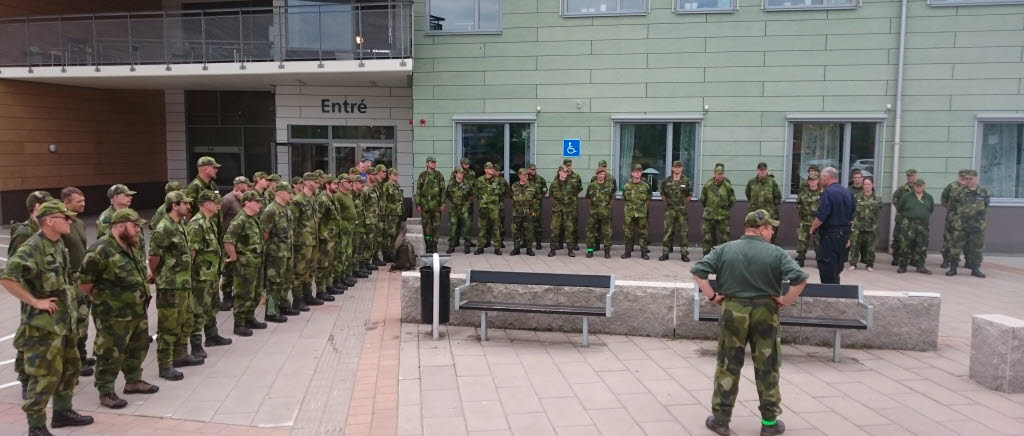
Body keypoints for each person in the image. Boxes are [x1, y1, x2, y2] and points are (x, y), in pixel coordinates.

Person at [692, 210, 808, 436]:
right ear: (762, 229)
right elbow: (801, 279)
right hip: (766, 312)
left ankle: (721, 420)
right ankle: (769, 423)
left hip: (734, 311)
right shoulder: (776, 253)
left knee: (728, 364)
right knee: (768, 366)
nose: (773, 231)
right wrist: (785, 300)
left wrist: (713, 297)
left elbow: (698, 272)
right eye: (770, 228)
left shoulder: (725, 249)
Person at [1, 201, 95, 436]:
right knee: (44, 377)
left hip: (65, 324)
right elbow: (7, 277)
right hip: (44, 329)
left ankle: (62, 413)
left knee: (69, 370)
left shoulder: (58, 245)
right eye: (65, 218)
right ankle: (36, 426)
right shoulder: (32, 247)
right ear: (50, 221)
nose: (70, 221)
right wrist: (34, 301)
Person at [79, 208, 159, 410]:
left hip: (136, 311)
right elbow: (85, 283)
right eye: (135, 227)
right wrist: (105, 300)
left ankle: (133, 381)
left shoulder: (131, 246)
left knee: (138, 347)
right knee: (110, 352)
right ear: (120, 226)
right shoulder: (100, 250)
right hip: (112, 315)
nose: (138, 231)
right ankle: (106, 391)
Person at [148, 191, 202, 381]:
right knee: (168, 326)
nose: (188, 206)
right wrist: (156, 274)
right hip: (170, 284)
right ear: (174, 205)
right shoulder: (164, 228)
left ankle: (180, 355)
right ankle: (165, 365)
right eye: (184, 204)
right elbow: (154, 256)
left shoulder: (181, 224)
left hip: (184, 282)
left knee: (186, 320)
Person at [8, 191, 54, 400]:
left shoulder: (48, 230)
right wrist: (31, 299)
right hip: (32, 296)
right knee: (28, 338)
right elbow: (12, 271)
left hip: (48, 294)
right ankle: (25, 379)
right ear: (36, 206)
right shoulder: (25, 233)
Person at [185, 191, 232, 356]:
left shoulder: (209, 222)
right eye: (215, 202)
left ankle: (212, 335)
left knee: (212, 307)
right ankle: (196, 343)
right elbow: (192, 252)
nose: (218, 205)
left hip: (211, 274)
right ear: (205, 204)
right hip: (200, 276)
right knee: (198, 310)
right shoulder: (196, 224)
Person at [58, 187, 94, 377]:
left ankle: (82, 354)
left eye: (83, 200)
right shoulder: (61, 224)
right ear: (66, 203)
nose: (83, 203)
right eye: (78, 201)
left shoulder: (78, 222)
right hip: (69, 280)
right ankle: (75, 359)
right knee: (75, 321)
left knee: (83, 319)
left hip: (82, 278)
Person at [225, 191, 268, 335]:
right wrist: (234, 257)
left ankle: (250, 317)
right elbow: (228, 240)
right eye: (256, 202)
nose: (259, 204)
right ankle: (239, 323)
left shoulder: (253, 218)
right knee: (244, 293)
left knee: (256, 292)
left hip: (256, 263)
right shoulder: (240, 220)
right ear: (247, 202)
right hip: (245, 265)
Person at [810, 167, 855, 284]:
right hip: (844, 235)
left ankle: (829, 294)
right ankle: (836, 290)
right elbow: (852, 218)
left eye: (821, 178)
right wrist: (848, 237)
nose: (820, 181)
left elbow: (822, 216)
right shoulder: (848, 193)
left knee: (827, 267)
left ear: (826, 177)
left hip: (829, 236)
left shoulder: (827, 192)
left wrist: (812, 228)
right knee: (837, 267)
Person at [946, 170, 990, 278]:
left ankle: (975, 269)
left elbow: (986, 205)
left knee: (977, 249)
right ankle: (953, 268)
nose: (968, 181)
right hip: (961, 225)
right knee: (955, 248)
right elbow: (951, 208)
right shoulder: (959, 192)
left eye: (970, 178)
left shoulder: (983, 192)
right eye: (967, 179)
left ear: (976, 178)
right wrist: (955, 221)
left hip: (977, 226)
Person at [218, 176, 250, 312]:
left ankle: (236, 294)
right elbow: (219, 217)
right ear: (239, 185)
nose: (248, 187)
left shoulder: (242, 199)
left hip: (241, 241)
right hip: (229, 240)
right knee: (227, 270)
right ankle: (226, 296)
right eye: (246, 185)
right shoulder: (228, 199)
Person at [291, 173, 322, 310]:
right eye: (315, 182)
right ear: (307, 182)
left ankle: (308, 295)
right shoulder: (298, 200)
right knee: (300, 271)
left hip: (312, 239)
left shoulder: (313, 198)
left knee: (311, 269)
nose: (317, 184)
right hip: (302, 241)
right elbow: (293, 222)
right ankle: (297, 299)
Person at [895, 178, 934, 274]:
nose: (918, 187)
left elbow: (931, 209)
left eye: (920, 185)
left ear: (924, 186)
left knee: (922, 245)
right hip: (908, 224)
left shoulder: (929, 197)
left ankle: (920, 266)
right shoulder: (906, 196)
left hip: (923, 225)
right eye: (916, 185)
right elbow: (899, 208)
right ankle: (903, 266)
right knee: (906, 245)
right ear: (914, 186)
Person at [314, 176, 341, 303]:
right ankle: (320, 291)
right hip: (325, 238)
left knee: (331, 263)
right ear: (327, 185)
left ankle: (329, 286)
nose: (337, 186)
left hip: (333, 236)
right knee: (323, 264)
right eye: (334, 184)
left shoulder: (332, 198)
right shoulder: (322, 199)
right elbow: (317, 220)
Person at [660, 160, 693, 262]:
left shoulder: (686, 180)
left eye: (679, 167)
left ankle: (684, 253)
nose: (677, 169)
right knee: (668, 232)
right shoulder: (666, 181)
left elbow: (689, 196)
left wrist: (682, 204)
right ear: (672, 168)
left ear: (682, 168)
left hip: (682, 211)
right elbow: (663, 195)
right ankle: (665, 253)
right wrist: (670, 204)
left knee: (683, 232)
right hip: (670, 210)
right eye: (676, 167)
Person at [700, 163, 736, 255]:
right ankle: (706, 256)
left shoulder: (727, 186)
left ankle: (724, 256)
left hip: (723, 216)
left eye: (722, 174)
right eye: (718, 174)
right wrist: (709, 208)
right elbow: (703, 199)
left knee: (725, 237)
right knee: (707, 237)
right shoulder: (708, 185)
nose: (720, 176)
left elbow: (732, 200)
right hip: (709, 215)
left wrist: (724, 210)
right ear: (714, 173)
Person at [848, 177, 882, 271]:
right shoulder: (857, 197)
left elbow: (879, 211)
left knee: (871, 247)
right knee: (854, 246)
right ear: (863, 185)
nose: (867, 186)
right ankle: (853, 264)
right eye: (865, 184)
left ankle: (869, 265)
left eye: (869, 184)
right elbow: (852, 210)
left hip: (871, 227)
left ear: (872, 185)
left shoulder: (877, 199)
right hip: (858, 226)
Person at [332, 176, 359, 289]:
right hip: (343, 226)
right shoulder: (338, 196)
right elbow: (337, 213)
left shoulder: (348, 195)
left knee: (348, 252)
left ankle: (343, 275)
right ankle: (337, 278)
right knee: (342, 252)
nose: (351, 184)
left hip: (350, 226)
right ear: (342, 183)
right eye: (348, 182)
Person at [621, 164, 653, 260]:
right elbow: (624, 199)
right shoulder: (627, 186)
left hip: (642, 213)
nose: (637, 173)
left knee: (643, 232)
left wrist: (642, 207)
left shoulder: (646, 186)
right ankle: (627, 251)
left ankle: (643, 252)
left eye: (639, 171)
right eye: (635, 171)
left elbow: (648, 199)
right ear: (632, 173)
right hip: (629, 213)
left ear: (641, 173)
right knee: (628, 233)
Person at [746, 162, 782, 244]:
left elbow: (777, 196)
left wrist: (772, 208)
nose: (762, 171)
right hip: (755, 213)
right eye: (760, 170)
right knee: (754, 234)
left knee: (770, 236)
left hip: (769, 213)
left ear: (767, 170)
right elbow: (748, 194)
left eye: (764, 170)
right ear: (757, 170)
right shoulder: (751, 182)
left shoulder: (772, 182)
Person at [475, 163, 505, 255]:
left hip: (494, 208)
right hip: (483, 207)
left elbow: (501, 192)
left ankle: (497, 248)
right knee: (482, 228)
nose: (492, 169)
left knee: (496, 228)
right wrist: (483, 201)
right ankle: (480, 247)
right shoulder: (479, 180)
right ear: (485, 170)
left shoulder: (498, 180)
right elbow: (476, 193)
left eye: (492, 168)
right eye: (490, 168)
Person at [940, 170, 968, 269]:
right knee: (949, 239)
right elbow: (943, 200)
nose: (963, 178)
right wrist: (952, 210)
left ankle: (968, 261)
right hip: (953, 219)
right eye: (961, 176)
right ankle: (946, 260)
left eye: (965, 176)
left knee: (967, 240)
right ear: (958, 176)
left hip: (967, 220)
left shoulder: (971, 187)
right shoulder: (951, 186)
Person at [585, 168, 615, 258]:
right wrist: (594, 207)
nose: (602, 176)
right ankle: (590, 250)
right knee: (591, 232)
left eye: (603, 174)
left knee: (607, 233)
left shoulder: (609, 185)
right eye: (600, 174)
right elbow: (588, 198)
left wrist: (607, 207)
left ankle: (607, 251)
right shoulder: (591, 185)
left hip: (605, 213)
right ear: (596, 175)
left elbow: (612, 198)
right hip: (594, 213)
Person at [548, 165, 576, 257]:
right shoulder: (554, 184)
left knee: (569, 230)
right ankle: (552, 249)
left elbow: (574, 196)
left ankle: (570, 250)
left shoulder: (571, 184)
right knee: (555, 230)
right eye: (563, 172)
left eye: (566, 172)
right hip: (557, 211)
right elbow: (551, 196)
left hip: (568, 211)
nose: (565, 174)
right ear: (559, 172)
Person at [890, 169, 917, 265]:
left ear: (915, 176)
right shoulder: (902, 189)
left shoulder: (918, 188)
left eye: (912, 176)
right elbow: (894, 200)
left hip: (914, 219)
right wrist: (903, 211)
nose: (910, 178)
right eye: (908, 176)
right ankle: (896, 258)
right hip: (902, 219)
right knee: (898, 238)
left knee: (913, 238)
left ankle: (913, 259)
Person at [509, 168, 538, 256]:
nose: (525, 176)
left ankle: (529, 249)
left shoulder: (532, 186)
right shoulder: (514, 186)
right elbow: (511, 197)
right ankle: (516, 248)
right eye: (523, 174)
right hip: (517, 213)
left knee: (529, 231)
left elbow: (535, 198)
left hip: (528, 212)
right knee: (515, 231)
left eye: (526, 174)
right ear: (519, 175)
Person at [795, 174, 822, 268]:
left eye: (814, 180)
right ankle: (800, 259)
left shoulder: (823, 193)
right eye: (810, 180)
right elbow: (798, 204)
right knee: (802, 240)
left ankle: (820, 260)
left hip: (818, 221)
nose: (812, 182)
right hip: (805, 221)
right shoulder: (803, 193)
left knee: (818, 242)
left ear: (818, 180)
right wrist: (802, 213)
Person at [446, 167, 474, 254]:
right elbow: (447, 195)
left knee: (467, 227)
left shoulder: (467, 184)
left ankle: (467, 245)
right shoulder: (451, 184)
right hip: (454, 208)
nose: (461, 174)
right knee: (452, 227)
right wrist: (454, 202)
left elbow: (472, 195)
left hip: (464, 208)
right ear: (455, 174)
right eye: (460, 173)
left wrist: (466, 203)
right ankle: (451, 246)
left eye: (462, 173)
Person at [382, 168, 404, 260]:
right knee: (389, 234)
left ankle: (391, 252)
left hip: (398, 213)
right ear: (389, 175)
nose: (396, 176)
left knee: (396, 233)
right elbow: (384, 200)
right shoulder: (387, 186)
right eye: (394, 175)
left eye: (397, 175)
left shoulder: (397, 186)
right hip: (390, 213)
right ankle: (387, 254)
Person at [564, 159, 584, 250]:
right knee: (561, 224)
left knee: (574, 224)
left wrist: (573, 196)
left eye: (569, 165)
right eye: (567, 165)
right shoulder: (560, 176)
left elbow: (580, 188)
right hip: (562, 205)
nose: (568, 167)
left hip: (573, 205)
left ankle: (575, 243)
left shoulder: (577, 176)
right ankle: (560, 243)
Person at [528, 163, 547, 249]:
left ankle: (538, 243)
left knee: (538, 224)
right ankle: (526, 242)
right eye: (532, 169)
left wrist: (538, 198)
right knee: (526, 224)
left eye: (534, 169)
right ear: (528, 170)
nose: (533, 171)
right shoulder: (525, 178)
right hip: (526, 206)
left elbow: (544, 191)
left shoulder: (541, 179)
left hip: (536, 206)